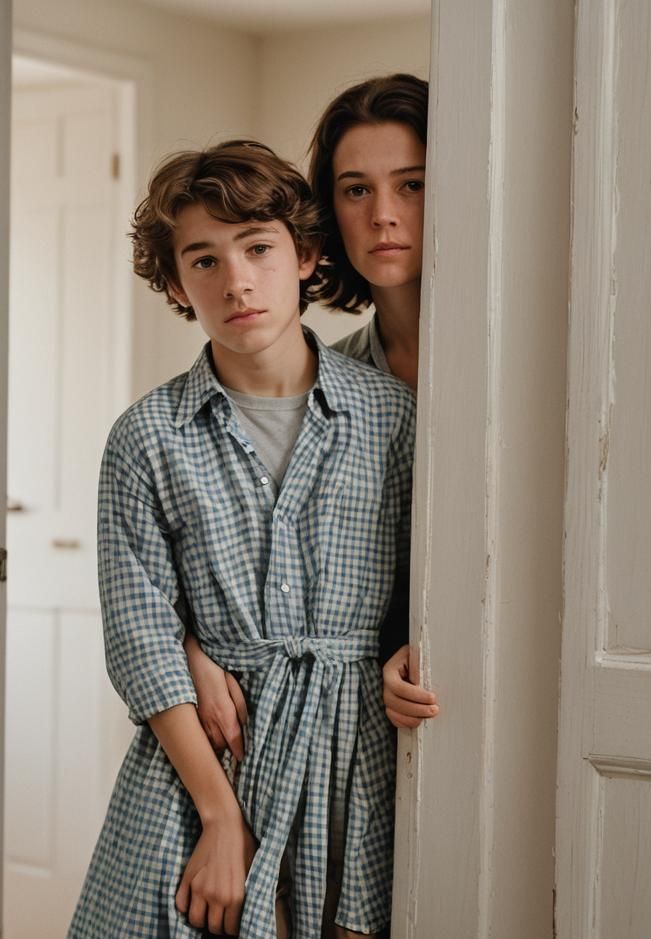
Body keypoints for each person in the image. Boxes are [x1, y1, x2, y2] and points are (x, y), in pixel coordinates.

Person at [44, 140, 414, 939]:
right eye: (203, 260)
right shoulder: (148, 439)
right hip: (212, 771)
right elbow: (138, 632)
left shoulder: (391, 418)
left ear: (307, 258)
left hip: (356, 778)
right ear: (176, 286)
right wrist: (219, 818)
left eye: (257, 247)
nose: (236, 281)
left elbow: (423, 589)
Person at [185, 75, 439, 774]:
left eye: (412, 185)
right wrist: (194, 646)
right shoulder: (339, 382)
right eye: (357, 189)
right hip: (342, 732)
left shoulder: (512, 379)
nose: (384, 214)